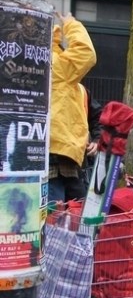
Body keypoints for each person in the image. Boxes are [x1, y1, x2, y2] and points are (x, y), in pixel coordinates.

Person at [48, 12, 97, 202]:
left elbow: (96, 115)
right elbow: (86, 52)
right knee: (63, 215)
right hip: (58, 154)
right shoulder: (57, 66)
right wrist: (70, 24)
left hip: (60, 157)